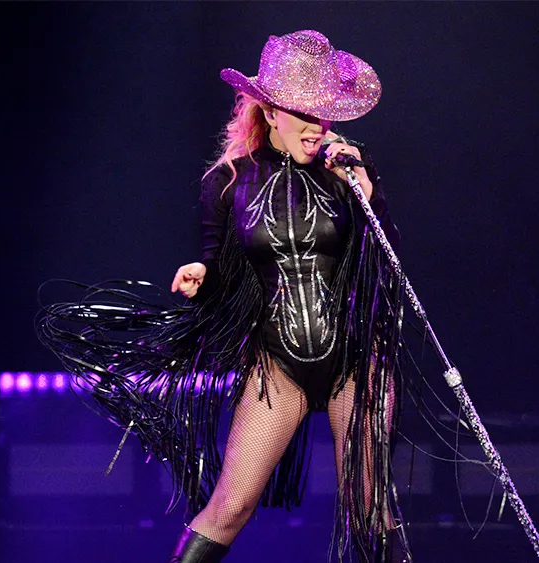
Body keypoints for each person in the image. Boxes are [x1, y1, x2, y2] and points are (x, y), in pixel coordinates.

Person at [38, 30, 411, 562]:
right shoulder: (228, 182)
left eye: (322, 112)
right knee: (231, 505)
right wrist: (200, 276)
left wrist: (367, 195)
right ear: (271, 112)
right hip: (278, 365)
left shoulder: (346, 175)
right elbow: (221, 270)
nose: (316, 125)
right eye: (300, 111)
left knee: (371, 506)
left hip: (357, 361)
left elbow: (390, 261)